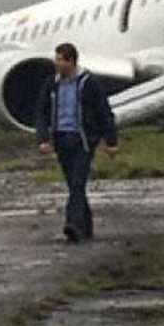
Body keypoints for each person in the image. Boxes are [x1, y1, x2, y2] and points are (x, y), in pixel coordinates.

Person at [35, 42, 119, 243]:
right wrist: (43, 138)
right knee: (74, 185)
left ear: (71, 61)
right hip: (61, 138)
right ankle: (86, 226)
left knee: (78, 182)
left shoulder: (89, 83)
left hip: (83, 139)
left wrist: (111, 141)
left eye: (60, 60)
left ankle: (72, 223)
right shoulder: (51, 84)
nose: (56, 64)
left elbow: (104, 112)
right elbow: (41, 112)